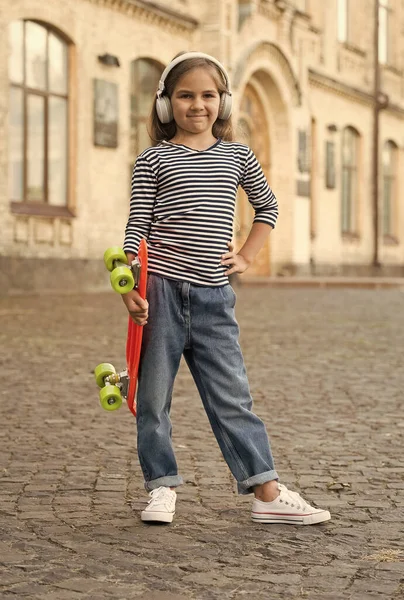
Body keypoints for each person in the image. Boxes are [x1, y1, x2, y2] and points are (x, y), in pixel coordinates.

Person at [122, 51, 331, 526]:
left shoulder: (238, 156)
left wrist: (248, 253)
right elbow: (136, 230)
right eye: (185, 95)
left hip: (216, 298)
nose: (198, 105)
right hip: (160, 294)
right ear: (165, 104)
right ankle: (161, 488)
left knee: (232, 397)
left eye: (208, 95)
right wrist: (129, 289)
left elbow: (268, 207)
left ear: (224, 102)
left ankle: (267, 491)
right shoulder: (152, 159)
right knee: (153, 398)